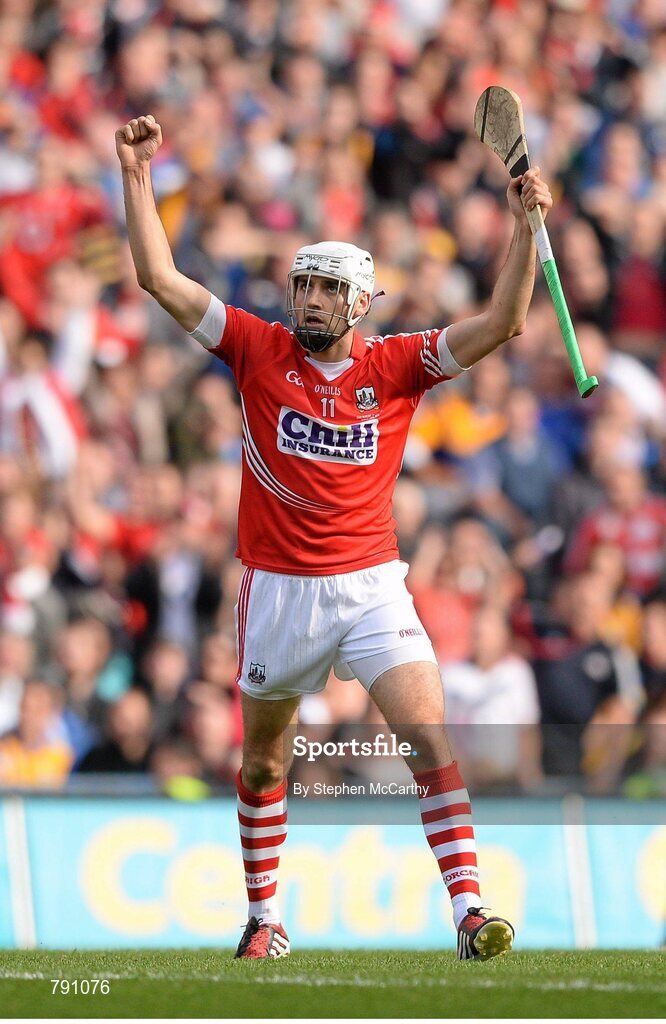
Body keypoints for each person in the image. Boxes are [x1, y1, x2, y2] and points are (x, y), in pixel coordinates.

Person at [116, 113, 553, 961]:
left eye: (325, 290)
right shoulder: (255, 348)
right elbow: (157, 276)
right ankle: (263, 918)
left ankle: (468, 911)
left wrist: (525, 228)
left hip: (370, 587)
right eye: (303, 286)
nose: (308, 300)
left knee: (429, 737)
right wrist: (135, 176)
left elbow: (502, 323)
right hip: (277, 590)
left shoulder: (396, 366)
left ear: (358, 303)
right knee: (266, 768)